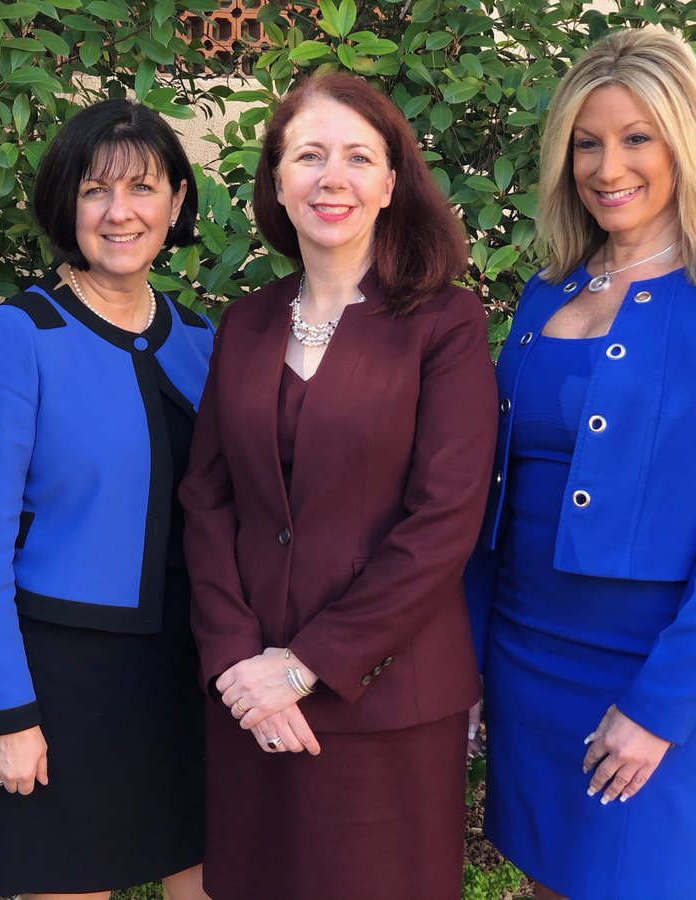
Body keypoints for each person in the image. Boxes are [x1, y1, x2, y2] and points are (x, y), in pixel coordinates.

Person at [465, 27, 696, 898]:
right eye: (586, 142)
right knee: (548, 876)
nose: (606, 166)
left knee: (634, 877)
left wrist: (660, 705)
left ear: (683, 143)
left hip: (650, 658)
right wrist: (468, 653)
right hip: (524, 646)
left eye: (635, 138)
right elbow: (495, 491)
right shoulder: (548, 291)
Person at [180, 72, 497, 899]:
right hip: (248, 699)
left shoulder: (445, 323)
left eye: (359, 157)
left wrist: (305, 665)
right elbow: (207, 500)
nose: (334, 177)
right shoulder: (245, 321)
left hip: (384, 703)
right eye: (310, 155)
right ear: (277, 181)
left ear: (391, 184)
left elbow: (444, 522)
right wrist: (238, 662)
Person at [0, 98, 212, 900]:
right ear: (68, 204)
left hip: (191, 672)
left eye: (142, 188)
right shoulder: (17, 335)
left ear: (177, 203)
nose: (120, 212)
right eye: (96, 190)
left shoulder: (205, 339)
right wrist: (3, 713)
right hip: (62, 680)